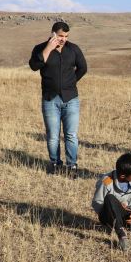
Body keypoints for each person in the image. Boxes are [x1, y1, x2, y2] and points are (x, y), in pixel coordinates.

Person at [29, 21, 88, 177]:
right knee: (53, 135)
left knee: (71, 135)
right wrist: (48, 48)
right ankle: (55, 164)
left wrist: (71, 82)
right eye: (61, 35)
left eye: (66, 36)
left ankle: (72, 166)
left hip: (71, 99)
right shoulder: (40, 48)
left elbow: (83, 67)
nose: (63, 39)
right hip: (50, 99)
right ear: (53, 33)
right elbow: (34, 66)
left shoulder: (73, 49)